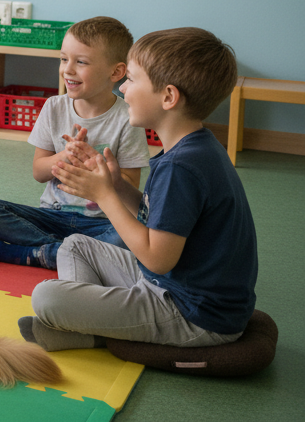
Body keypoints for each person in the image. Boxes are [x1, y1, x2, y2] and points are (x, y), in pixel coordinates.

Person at [21, 28, 256, 351]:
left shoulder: (182, 167)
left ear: (168, 97)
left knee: (46, 297)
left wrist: (104, 195)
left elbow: (156, 258)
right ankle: (92, 323)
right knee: (75, 245)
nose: (123, 88)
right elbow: (155, 219)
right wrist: (116, 184)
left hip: (191, 313)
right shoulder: (192, 147)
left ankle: (97, 331)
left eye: (131, 79)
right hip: (169, 284)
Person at [0, 17, 150, 269]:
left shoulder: (128, 118)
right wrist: (64, 156)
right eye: (63, 59)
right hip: (51, 215)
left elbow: (131, 190)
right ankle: (65, 253)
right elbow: (38, 172)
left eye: (81, 62)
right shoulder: (54, 107)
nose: (68, 69)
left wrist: (102, 172)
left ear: (116, 72)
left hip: (101, 222)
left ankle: (40, 253)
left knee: (135, 236)